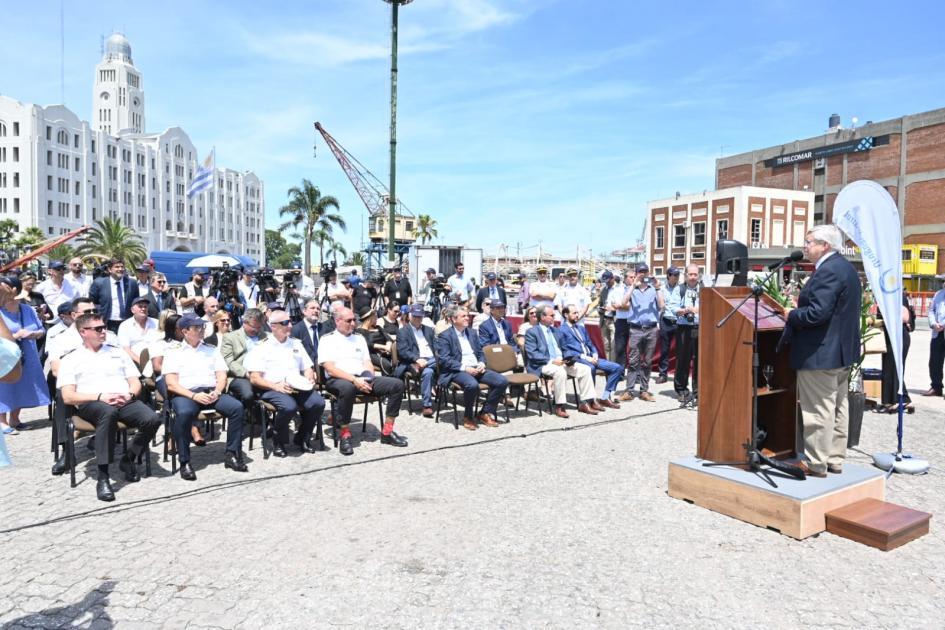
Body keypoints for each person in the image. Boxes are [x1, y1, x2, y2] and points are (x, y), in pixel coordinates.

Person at [779, 225, 861, 478]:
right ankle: (834, 458)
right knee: (838, 407)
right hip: (840, 353)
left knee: (818, 410)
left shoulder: (828, 271)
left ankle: (815, 462)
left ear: (825, 245)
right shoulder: (845, 267)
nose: (805, 246)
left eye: (809, 241)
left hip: (820, 354)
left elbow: (818, 313)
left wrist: (792, 314)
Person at [57, 312, 162, 501]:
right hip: (92, 402)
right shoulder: (70, 359)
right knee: (108, 413)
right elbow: (68, 396)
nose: (103, 331)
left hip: (123, 399)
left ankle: (128, 458)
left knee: (152, 419)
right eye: (98, 329)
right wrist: (100, 396)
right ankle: (103, 476)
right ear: (83, 332)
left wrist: (129, 394)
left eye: (104, 327)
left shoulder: (117, 352)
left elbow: (135, 381)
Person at [163, 314, 249, 479]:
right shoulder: (173, 352)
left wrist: (217, 391)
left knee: (237, 408)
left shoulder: (211, 349)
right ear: (185, 331)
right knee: (184, 414)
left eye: (202, 327)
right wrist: (194, 396)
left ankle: (232, 454)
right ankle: (184, 461)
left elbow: (222, 375)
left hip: (211, 392)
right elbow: (172, 383)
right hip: (186, 394)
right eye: (197, 328)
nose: (202, 330)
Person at [319, 307, 408, 455]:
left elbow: (367, 362)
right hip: (338, 379)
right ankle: (345, 434)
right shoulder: (327, 339)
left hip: (362, 378)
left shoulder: (359, 339)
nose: (353, 323)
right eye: (349, 320)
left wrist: (369, 378)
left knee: (397, 385)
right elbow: (330, 368)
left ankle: (387, 432)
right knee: (348, 388)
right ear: (338, 321)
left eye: (354, 320)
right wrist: (355, 380)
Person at [245, 310, 326, 457]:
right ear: (273, 327)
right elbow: (255, 378)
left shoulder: (296, 343)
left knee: (318, 402)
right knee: (289, 406)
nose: (290, 325)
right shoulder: (262, 347)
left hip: (296, 386)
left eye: (290, 322)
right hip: (272, 387)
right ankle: (279, 441)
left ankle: (302, 438)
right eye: (285, 323)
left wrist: (309, 377)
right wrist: (276, 386)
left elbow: (307, 366)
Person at [435, 304, 508, 430]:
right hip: (457, 370)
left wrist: (481, 363)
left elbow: (480, 353)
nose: (467, 318)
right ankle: (468, 416)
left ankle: (485, 412)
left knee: (502, 381)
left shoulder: (472, 333)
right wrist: (465, 368)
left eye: (467, 316)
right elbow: (444, 360)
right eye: (463, 316)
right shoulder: (445, 336)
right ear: (453, 319)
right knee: (472, 385)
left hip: (476, 367)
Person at [524, 305, 598, 418]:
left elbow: (565, 348)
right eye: (552, 315)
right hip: (543, 364)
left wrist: (568, 359)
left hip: (561, 362)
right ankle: (559, 405)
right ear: (543, 317)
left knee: (585, 369)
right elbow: (532, 354)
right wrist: (552, 361)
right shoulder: (532, 332)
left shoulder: (556, 331)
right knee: (560, 372)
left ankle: (586, 402)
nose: (554, 317)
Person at [0, 276, 50, 434]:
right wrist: (14, 336)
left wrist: (32, 333)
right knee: (4, 387)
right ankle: (2, 422)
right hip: (5, 356)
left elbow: (41, 330)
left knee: (23, 384)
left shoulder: (27, 309)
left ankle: (15, 419)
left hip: (27, 354)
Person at [559, 304, 622, 409]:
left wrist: (595, 353)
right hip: (579, 359)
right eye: (574, 313)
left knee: (617, 368)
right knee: (590, 368)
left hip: (591, 357)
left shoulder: (581, 328)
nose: (577, 315)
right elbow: (566, 351)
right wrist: (585, 357)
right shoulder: (561, 330)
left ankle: (605, 397)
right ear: (566, 315)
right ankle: (590, 400)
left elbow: (590, 343)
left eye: (577, 312)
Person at [619, 263, 663, 403]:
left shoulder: (653, 289)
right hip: (636, 328)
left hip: (650, 329)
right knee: (633, 361)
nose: (643, 274)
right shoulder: (632, 289)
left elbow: (662, 305)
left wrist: (658, 288)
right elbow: (623, 302)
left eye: (645, 271)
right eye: (640, 272)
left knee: (647, 361)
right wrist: (633, 285)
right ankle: (629, 391)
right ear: (637, 273)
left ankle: (644, 390)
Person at [396, 303, 438, 417]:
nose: (417, 319)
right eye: (415, 316)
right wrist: (417, 359)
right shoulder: (403, 331)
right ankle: (427, 406)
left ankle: (430, 364)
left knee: (442, 359)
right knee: (429, 372)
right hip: (415, 362)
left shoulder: (429, 330)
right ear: (409, 316)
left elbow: (437, 346)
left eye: (420, 316)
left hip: (432, 360)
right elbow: (403, 351)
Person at [220, 308, 268, 406]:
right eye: (254, 326)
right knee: (248, 394)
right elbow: (228, 361)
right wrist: (245, 373)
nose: (257, 330)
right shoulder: (230, 337)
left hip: (263, 373)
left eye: (260, 327)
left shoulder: (266, 336)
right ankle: (248, 416)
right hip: (240, 376)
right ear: (245, 322)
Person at [876, 294, 915, 414]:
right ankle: (903, 400)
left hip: (898, 335)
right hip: (890, 335)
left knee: (894, 369)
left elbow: (905, 317)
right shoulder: (885, 296)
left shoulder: (897, 295)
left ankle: (894, 402)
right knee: (890, 368)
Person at [673, 265, 700, 402]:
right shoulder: (680, 289)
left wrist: (697, 310)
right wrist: (686, 310)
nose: (693, 277)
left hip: (700, 328)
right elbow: (673, 308)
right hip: (684, 328)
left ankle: (697, 390)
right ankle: (681, 389)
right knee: (683, 360)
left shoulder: (704, 290)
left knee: (699, 361)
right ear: (685, 275)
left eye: (695, 274)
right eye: (691, 274)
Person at [89, 258, 139, 333]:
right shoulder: (99, 283)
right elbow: (93, 302)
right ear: (109, 269)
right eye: (117, 267)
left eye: (122, 267)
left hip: (127, 322)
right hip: (107, 322)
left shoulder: (132, 283)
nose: (120, 269)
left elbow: (136, 302)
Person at [656, 267, 682, 384]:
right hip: (666, 321)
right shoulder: (661, 288)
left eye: (677, 275)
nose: (676, 277)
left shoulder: (682, 288)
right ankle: (663, 374)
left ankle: (679, 375)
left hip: (679, 321)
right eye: (674, 275)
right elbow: (660, 305)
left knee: (680, 350)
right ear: (668, 275)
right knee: (664, 349)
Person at [117, 296, 159, 365]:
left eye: (145, 306)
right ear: (132, 310)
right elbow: (126, 349)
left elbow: (162, 344)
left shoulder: (156, 323)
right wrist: (142, 363)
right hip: (134, 363)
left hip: (156, 362)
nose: (143, 309)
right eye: (140, 306)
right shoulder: (125, 326)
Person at [356, 306, 393, 375]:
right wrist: (383, 347)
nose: (377, 318)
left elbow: (388, 337)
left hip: (387, 352)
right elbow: (368, 344)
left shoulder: (378, 328)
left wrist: (388, 345)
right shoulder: (360, 331)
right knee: (386, 364)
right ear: (369, 318)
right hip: (372, 353)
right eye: (375, 316)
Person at [924, 277, 945, 397]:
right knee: (935, 361)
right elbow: (931, 310)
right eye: (943, 281)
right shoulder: (938, 294)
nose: (944, 283)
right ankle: (936, 386)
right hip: (938, 332)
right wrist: (933, 324)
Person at [291, 297, 323, 366]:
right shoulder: (296, 330)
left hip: (323, 368)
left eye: (318, 309)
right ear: (304, 311)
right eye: (312, 308)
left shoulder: (324, 328)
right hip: (305, 368)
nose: (316, 311)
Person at [597, 271, 616, 361]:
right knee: (606, 345)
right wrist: (600, 309)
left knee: (614, 346)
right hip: (604, 320)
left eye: (608, 281)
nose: (607, 283)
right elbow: (600, 303)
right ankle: (609, 366)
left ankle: (614, 366)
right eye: (605, 281)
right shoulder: (604, 290)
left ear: (613, 278)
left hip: (614, 320)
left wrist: (613, 308)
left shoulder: (618, 289)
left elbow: (623, 306)